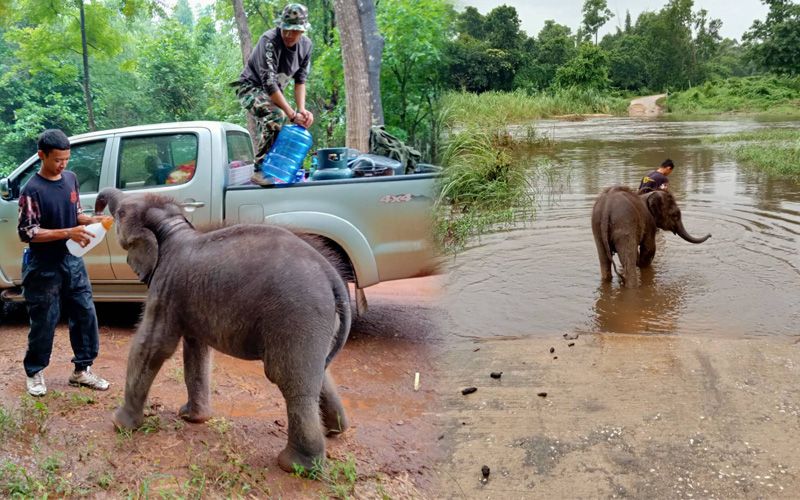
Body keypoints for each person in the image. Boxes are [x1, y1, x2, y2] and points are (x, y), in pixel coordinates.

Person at [17, 129, 110, 396]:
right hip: (43, 265)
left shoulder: (70, 179)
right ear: (41, 155)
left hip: (73, 260)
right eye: (58, 159)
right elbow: (28, 232)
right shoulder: (31, 190)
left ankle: (82, 370)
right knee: (45, 320)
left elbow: (76, 212)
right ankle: (34, 371)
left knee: (84, 314)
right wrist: (68, 232)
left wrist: (91, 221)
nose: (63, 164)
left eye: (67, 159)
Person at [232, 3, 315, 186]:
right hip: (250, 87)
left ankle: (275, 168)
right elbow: (269, 84)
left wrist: (301, 110)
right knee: (277, 115)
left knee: (278, 123)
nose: (288, 35)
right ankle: (260, 170)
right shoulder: (269, 40)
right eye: (286, 29)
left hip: (274, 92)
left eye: (294, 31)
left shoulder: (306, 46)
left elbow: (300, 80)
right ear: (281, 25)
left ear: (302, 31)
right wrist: (292, 115)